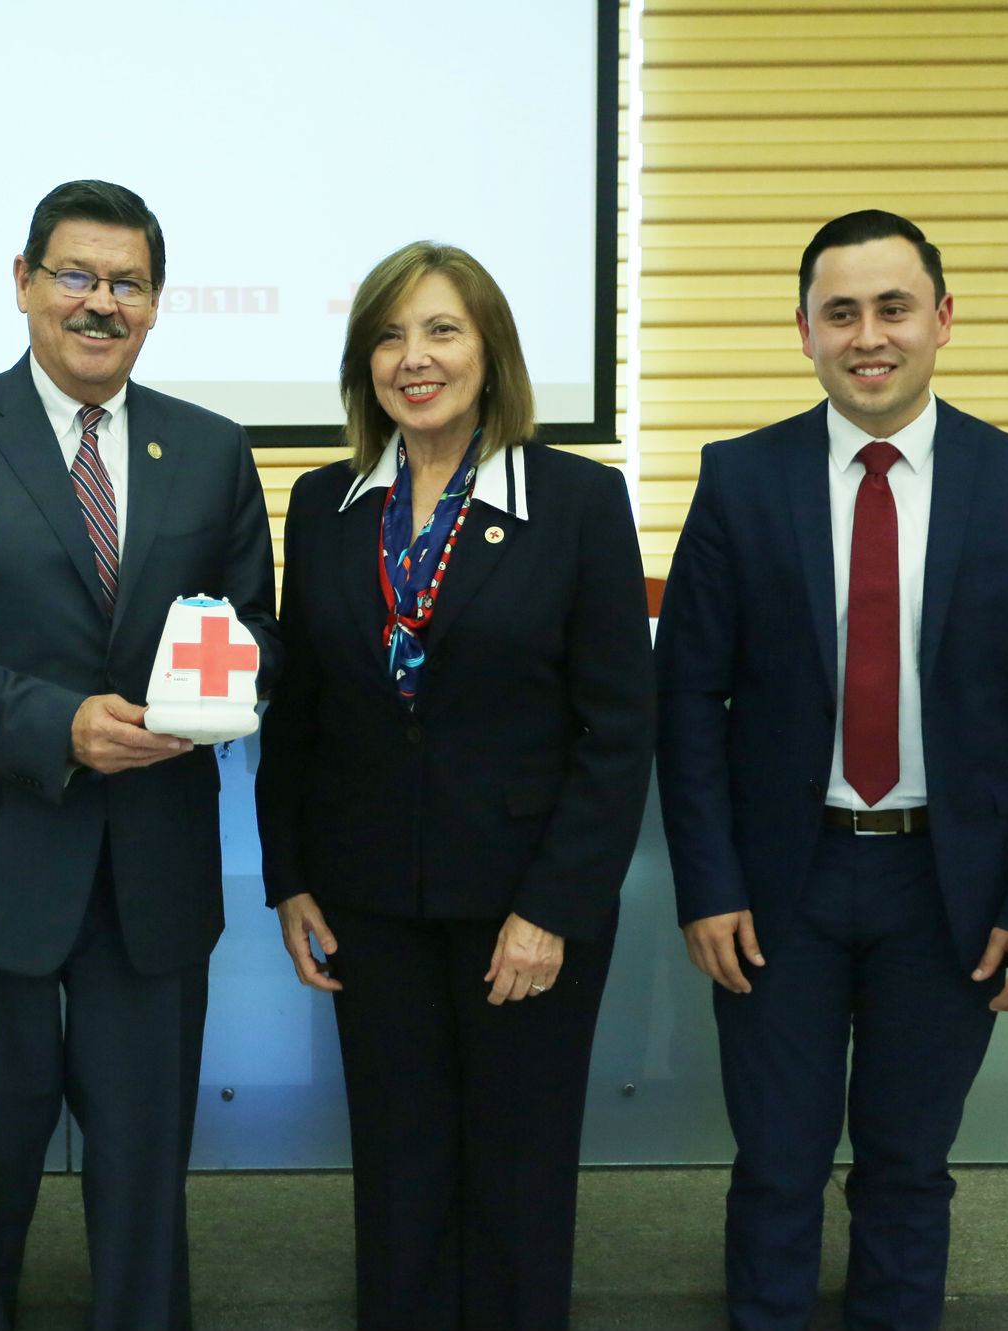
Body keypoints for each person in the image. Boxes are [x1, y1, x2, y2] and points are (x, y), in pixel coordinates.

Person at [655, 210, 1008, 1330]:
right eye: (839, 311)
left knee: (907, 1166)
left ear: (941, 320)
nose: (868, 335)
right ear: (802, 330)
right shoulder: (738, 478)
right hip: (778, 884)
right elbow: (688, 699)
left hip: (945, 891)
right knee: (774, 1163)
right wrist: (706, 883)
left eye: (892, 307)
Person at [0, 179, 279, 1330]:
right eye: (75, 276)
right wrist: (59, 722)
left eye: (126, 283)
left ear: (154, 303)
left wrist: (221, 690)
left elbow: (255, 634)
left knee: (144, 1179)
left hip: (150, 867)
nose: (99, 303)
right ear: (24, 283)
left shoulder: (209, 447)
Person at [254, 241, 655, 1330]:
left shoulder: (574, 499)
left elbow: (617, 727)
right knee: (396, 1169)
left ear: (490, 352)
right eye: (387, 334)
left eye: (440, 330)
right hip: (366, 899)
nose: (411, 357)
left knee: (516, 1175)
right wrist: (286, 875)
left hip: (523, 903)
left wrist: (553, 907)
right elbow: (299, 712)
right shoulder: (324, 502)